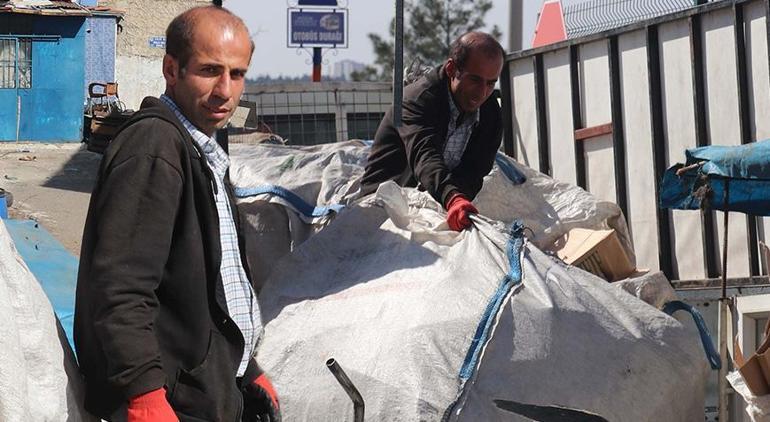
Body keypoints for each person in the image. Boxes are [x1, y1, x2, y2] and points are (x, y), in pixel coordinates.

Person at [74, 6, 280, 422]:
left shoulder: (200, 148)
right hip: (170, 403)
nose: (225, 90)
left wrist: (246, 369)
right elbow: (120, 287)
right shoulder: (154, 147)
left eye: (237, 74)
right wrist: (143, 394)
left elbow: (211, 286)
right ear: (172, 69)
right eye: (209, 71)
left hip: (204, 391)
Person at [360, 31, 505, 232]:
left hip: (439, 205)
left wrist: (457, 200)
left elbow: (476, 170)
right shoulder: (417, 101)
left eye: (491, 83)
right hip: (386, 207)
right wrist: (452, 198)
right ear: (452, 69)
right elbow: (425, 156)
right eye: (474, 80)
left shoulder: (490, 114)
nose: (482, 93)